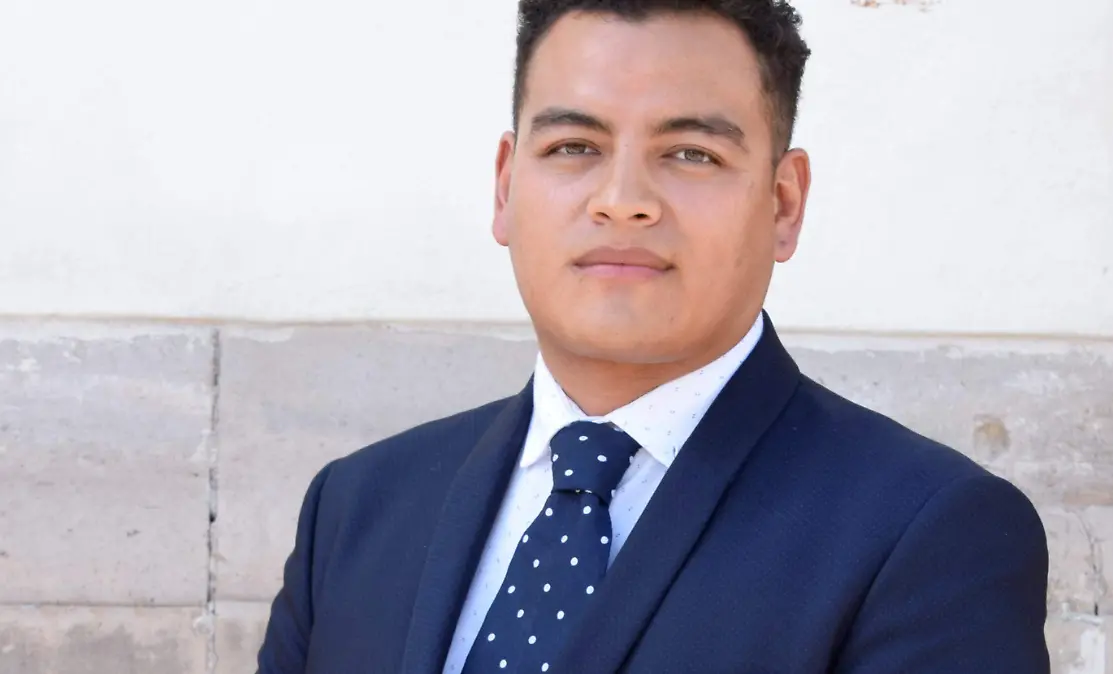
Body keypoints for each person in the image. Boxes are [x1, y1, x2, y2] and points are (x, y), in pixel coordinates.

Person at [256, 1, 1050, 672]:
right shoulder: (355, 509)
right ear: (505, 185)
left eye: (691, 154)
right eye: (574, 147)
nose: (622, 199)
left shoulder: (928, 535)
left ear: (783, 204)